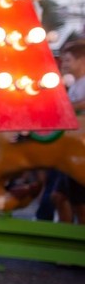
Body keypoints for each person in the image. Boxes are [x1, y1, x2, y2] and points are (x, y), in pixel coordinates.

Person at [51, 39, 85, 224]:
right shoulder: (75, 85)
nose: (64, 64)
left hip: (80, 150)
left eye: (68, 60)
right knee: (58, 196)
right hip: (71, 150)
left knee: (78, 202)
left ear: (82, 61)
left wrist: (67, 107)